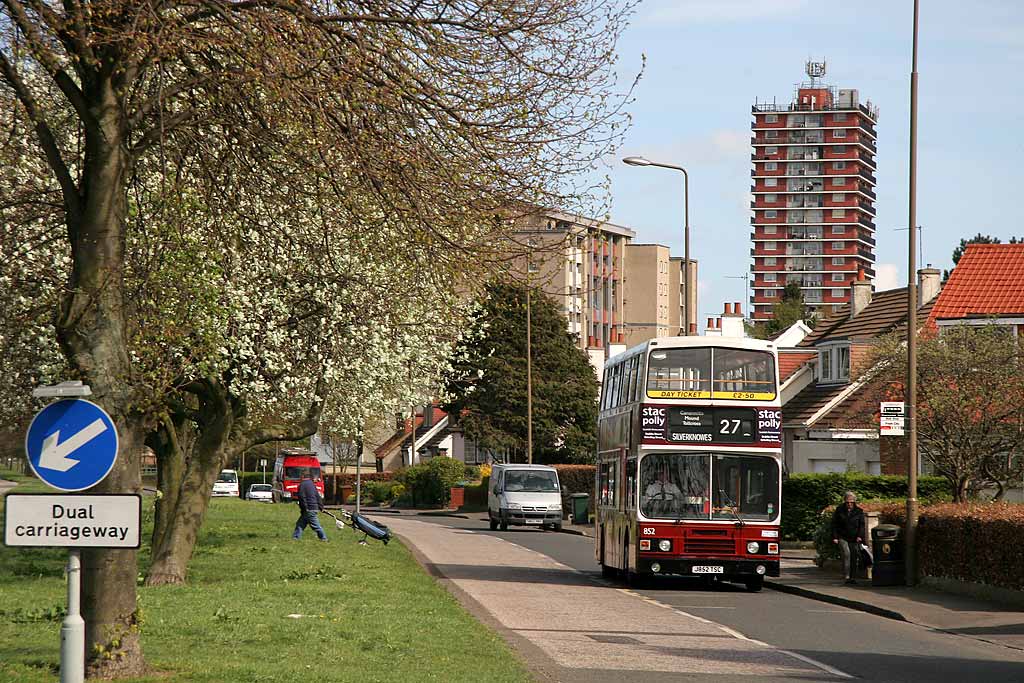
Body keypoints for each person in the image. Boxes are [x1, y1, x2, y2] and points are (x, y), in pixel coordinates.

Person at [832, 491, 866, 584]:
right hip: (842, 536)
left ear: (854, 502)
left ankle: (853, 577)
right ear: (844, 501)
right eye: (847, 502)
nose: (849, 504)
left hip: (854, 537)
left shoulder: (859, 511)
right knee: (846, 554)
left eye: (851, 502)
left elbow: (862, 525)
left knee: (854, 556)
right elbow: (834, 524)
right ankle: (846, 576)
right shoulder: (839, 510)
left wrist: (860, 536)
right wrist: (835, 537)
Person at [293, 472, 328, 541]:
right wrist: (321, 507)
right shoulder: (312, 485)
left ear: (303, 477)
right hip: (314, 508)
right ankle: (296, 537)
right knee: (300, 524)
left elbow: (301, 497)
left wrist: (304, 508)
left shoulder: (302, 485)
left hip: (308, 508)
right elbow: (317, 496)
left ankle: (324, 538)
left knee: (315, 525)